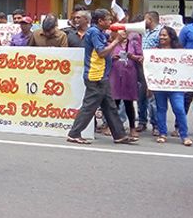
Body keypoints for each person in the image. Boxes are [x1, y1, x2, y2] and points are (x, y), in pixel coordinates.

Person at [67, 9, 138, 145]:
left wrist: (117, 33)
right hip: (96, 75)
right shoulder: (94, 32)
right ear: (100, 21)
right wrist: (117, 41)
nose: (110, 22)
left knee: (110, 106)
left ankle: (119, 135)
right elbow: (101, 52)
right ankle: (74, 133)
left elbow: (108, 40)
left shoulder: (98, 32)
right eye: (108, 19)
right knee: (89, 107)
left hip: (101, 75)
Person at [150, 26, 193, 146]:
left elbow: (187, 66)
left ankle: (184, 135)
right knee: (161, 109)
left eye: (164, 35)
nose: (162, 37)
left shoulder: (180, 51)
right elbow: (150, 69)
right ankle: (162, 133)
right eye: (160, 35)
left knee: (179, 108)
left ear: (171, 37)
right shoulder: (154, 51)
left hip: (175, 86)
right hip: (159, 85)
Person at [109, 30, 142, 138]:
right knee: (114, 102)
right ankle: (112, 127)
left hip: (129, 76)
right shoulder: (111, 43)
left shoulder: (133, 43)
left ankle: (132, 128)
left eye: (124, 32)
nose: (122, 34)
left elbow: (141, 58)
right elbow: (104, 56)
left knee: (129, 102)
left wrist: (132, 57)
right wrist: (112, 57)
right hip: (115, 75)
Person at [136, 11, 161, 133]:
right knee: (141, 95)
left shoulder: (161, 32)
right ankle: (142, 121)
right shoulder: (143, 32)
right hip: (142, 67)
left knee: (153, 98)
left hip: (155, 69)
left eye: (145, 19)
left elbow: (164, 49)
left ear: (150, 19)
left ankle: (156, 124)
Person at [178, 9, 193, 136]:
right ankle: (179, 126)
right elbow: (180, 47)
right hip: (190, 68)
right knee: (186, 98)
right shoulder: (187, 29)